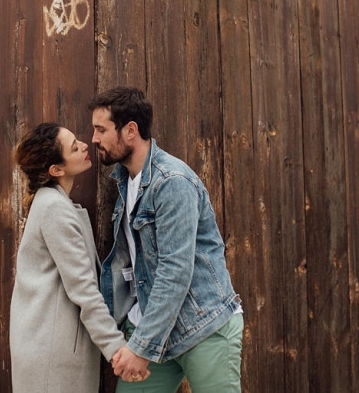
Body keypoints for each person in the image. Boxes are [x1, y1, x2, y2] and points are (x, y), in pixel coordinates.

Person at [89, 87, 244, 392]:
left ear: (130, 131)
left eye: (101, 130)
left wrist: (140, 347)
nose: (94, 139)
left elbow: (174, 271)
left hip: (202, 326)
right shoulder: (124, 180)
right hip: (153, 323)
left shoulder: (172, 182)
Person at [9, 122, 150, 393]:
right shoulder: (54, 210)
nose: (85, 145)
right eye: (74, 147)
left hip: (49, 346)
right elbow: (84, 290)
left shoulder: (55, 204)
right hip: (52, 356)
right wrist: (117, 350)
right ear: (56, 170)